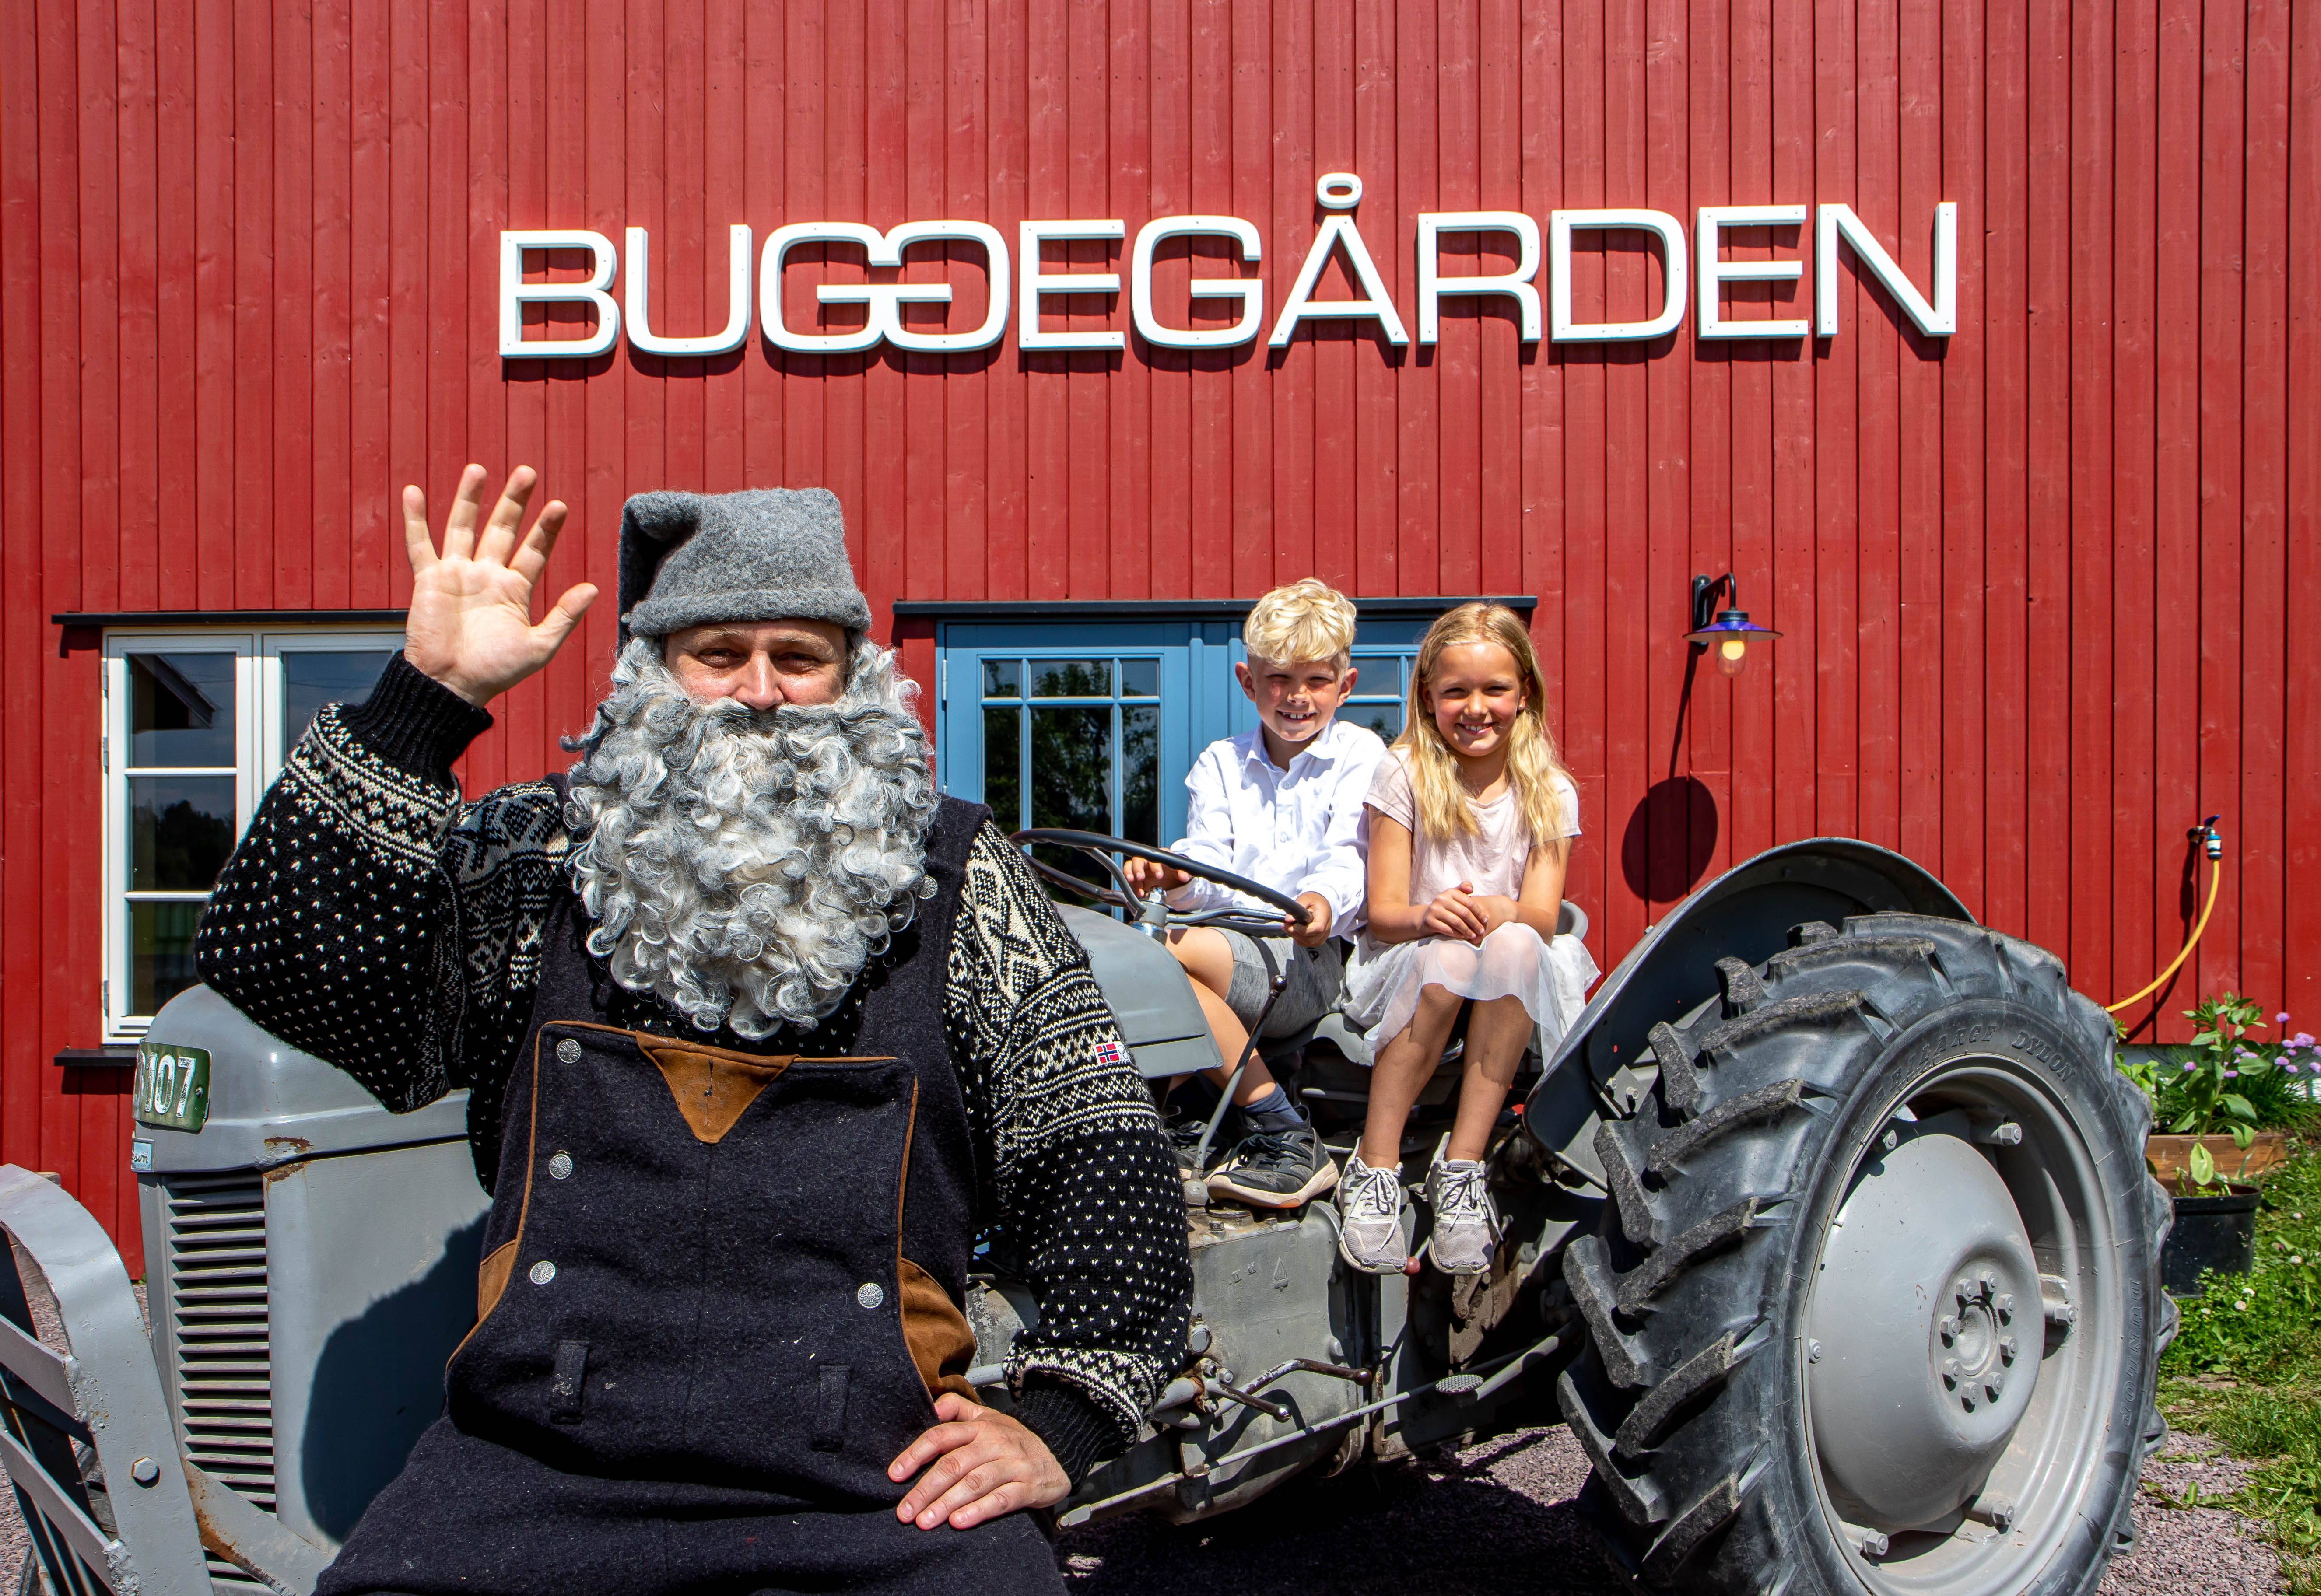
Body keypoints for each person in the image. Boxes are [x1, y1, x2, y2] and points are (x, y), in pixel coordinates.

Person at [193, 467, 1192, 1596]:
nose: (759, 691)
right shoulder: (538, 860)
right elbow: (281, 971)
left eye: (799, 658)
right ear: (653, 673)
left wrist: (1058, 1421)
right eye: (717, 652)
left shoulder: (960, 878)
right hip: (535, 1475)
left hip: (880, 1488)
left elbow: (1098, 1143)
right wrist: (425, 698)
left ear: (853, 677)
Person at [1333, 602, 1599, 1277]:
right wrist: (1430, 916)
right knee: (1451, 955)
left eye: (1494, 690)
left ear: (1525, 693)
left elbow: (1542, 918)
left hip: (1511, 957)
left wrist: (1503, 907)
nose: (1475, 708)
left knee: (1513, 947)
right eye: (1456, 692)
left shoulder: (1548, 790)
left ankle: (1462, 1168)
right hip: (1412, 956)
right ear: (1428, 696)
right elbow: (1385, 910)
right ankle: (1376, 1164)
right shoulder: (1405, 774)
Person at [1118, 580, 1382, 1209]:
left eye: (1317, 681)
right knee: (1146, 959)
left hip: (1311, 959)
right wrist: (1178, 876)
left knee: (1156, 960)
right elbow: (1209, 856)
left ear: (1345, 687)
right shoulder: (1221, 763)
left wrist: (1321, 902)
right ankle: (1180, 1120)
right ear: (1247, 680)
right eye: (1279, 679)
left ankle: (1284, 1131)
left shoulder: (1360, 755)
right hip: (1233, 949)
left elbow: (1347, 855)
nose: (1297, 698)